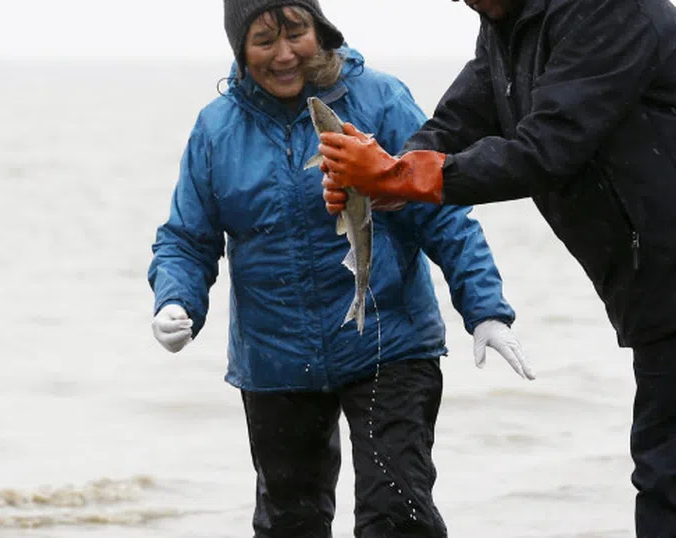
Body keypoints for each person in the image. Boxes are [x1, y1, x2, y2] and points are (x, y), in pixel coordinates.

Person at [316, 0, 676, 536]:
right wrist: (391, 173)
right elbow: (463, 117)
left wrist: (403, 178)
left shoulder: (611, 11)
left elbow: (548, 149)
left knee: (672, 464)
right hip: (652, 262)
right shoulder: (508, 21)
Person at [147, 2, 536, 537]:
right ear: (240, 51)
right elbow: (187, 238)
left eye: (296, 33)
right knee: (291, 523)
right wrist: (175, 300)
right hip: (276, 359)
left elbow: (441, 213)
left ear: (321, 30)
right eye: (264, 40)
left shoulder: (379, 99)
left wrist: (486, 309)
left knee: (396, 515)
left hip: (388, 342)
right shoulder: (217, 129)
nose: (284, 54)